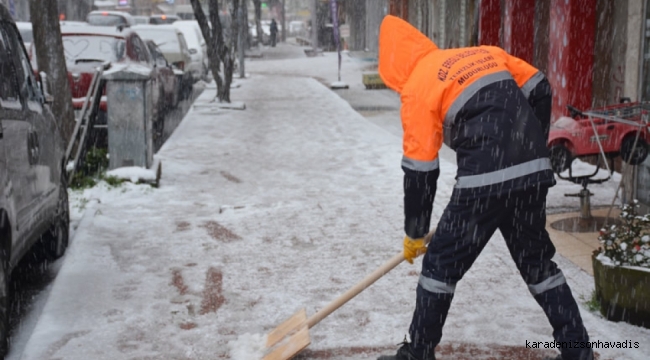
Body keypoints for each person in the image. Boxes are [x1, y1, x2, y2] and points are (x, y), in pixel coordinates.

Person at [376, 15, 593, 360]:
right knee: (538, 263)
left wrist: (415, 233)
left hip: (483, 182)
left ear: (394, 68)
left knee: (439, 267)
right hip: (531, 174)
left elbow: (420, 171)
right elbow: (540, 87)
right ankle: (578, 350)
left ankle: (417, 353)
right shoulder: (484, 53)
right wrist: (530, 146)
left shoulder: (418, 86)